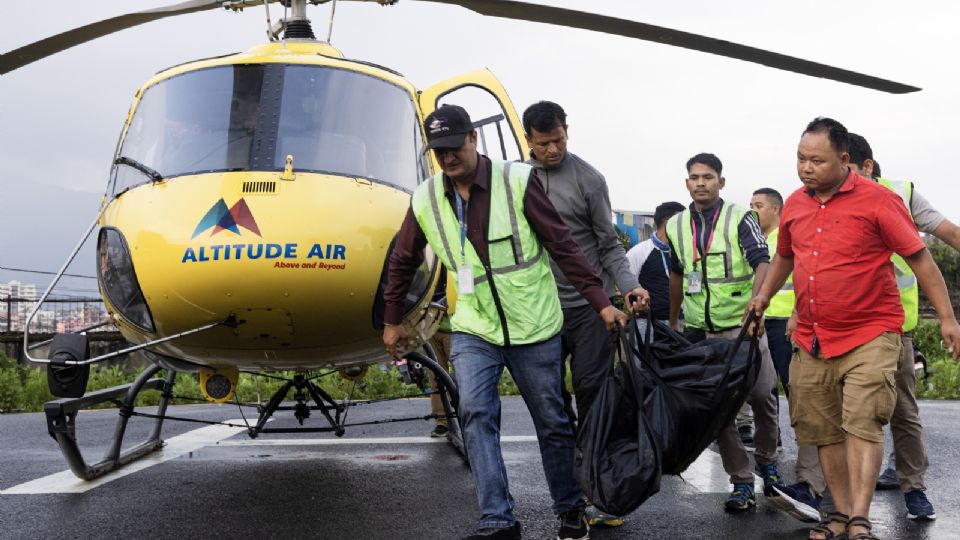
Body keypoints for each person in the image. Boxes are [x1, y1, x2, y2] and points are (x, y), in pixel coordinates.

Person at [383, 104, 628, 540]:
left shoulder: (517, 182)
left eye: (455, 147)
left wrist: (600, 302)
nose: (449, 158)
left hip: (533, 325)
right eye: (439, 152)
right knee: (475, 411)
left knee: (552, 419)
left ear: (473, 139)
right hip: (475, 326)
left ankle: (570, 509)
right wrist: (392, 319)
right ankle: (497, 519)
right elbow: (402, 260)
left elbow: (564, 246)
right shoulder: (425, 198)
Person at [748, 117, 960, 540]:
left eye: (816, 160)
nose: (806, 168)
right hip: (812, 334)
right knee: (821, 427)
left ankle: (860, 517)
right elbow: (785, 257)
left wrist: (949, 318)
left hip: (871, 331)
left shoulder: (879, 201)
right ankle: (840, 513)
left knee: (863, 421)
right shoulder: (796, 203)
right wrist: (763, 297)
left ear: (844, 160)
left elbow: (921, 259)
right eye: (800, 158)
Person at [522, 100, 650, 529]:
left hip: (592, 311)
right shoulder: (516, 182)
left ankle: (599, 490)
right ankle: (573, 491)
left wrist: (629, 285)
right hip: (539, 313)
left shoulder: (589, 179)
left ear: (566, 131)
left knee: (595, 398)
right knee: (553, 406)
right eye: (544, 144)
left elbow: (609, 243)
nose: (553, 149)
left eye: (558, 139)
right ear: (529, 141)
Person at [847, 132, 960, 520]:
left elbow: (949, 234)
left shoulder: (902, 193)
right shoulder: (821, 198)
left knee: (902, 411)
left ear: (865, 166)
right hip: (840, 326)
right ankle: (826, 495)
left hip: (895, 326)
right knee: (831, 411)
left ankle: (914, 487)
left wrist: (947, 317)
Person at [664, 153, 783, 512]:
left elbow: (762, 260)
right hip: (703, 332)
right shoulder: (676, 225)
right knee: (719, 412)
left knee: (763, 395)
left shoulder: (738, 217)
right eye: (694, 177)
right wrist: (674, 321)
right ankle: (742, 481)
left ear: (721, 182)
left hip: (744, 326)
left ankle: (768, 460)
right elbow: (676, 275)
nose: (701, 183)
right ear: (687, 182)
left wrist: (757, 304)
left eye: (708, 177)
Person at [751, 188, 827, 522]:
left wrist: (796, 313)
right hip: (766, 322)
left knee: (800, 394)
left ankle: (818, 480)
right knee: (772, 390)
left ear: (776, 209)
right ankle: (803, 474)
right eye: (750, 205)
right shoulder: (759, 237)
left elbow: (803, 276)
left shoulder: (788, 232)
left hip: (790, 323)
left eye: (759, 205)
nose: (754, 211)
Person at [626, 201, 686, 340]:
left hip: (681, 321)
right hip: (646, 323)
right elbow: (628, 288)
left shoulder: (687, 252)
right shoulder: (638, 252)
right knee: (644, 361)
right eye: (683, 221)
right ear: (669, 222)